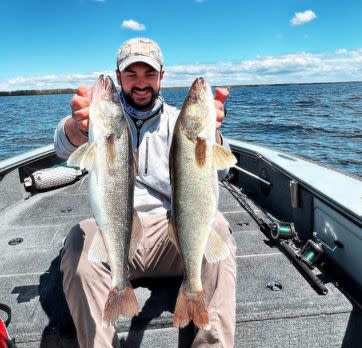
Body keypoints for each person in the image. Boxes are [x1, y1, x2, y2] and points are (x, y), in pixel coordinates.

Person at [54, 37, 236, 348]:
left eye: (149, 74)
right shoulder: (101, 118)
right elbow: (62, 146)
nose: (141, 84)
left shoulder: (179, 120)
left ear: (161, 77)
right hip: (119, 236)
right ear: (119, 76)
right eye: (131, 75)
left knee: (217, 229)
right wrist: (77, 126)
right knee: (76, 244)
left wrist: (213, 133)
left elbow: (220, 171)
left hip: (174, 235)